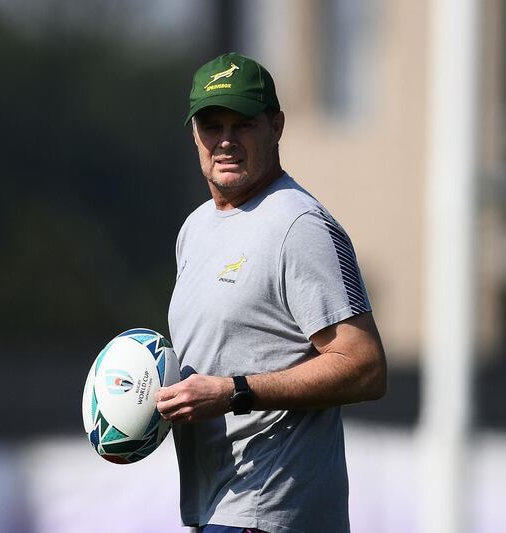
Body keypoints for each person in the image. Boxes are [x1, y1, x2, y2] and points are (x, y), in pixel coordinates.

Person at [156, 52, 387, 533]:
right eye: (211, 125)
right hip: (215, 508)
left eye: (242, 124)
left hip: (272, 514)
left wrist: (234, 392)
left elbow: (364, 366)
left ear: (276, 126)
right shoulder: (195, 228)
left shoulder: (299, 225)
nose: (225, 141)